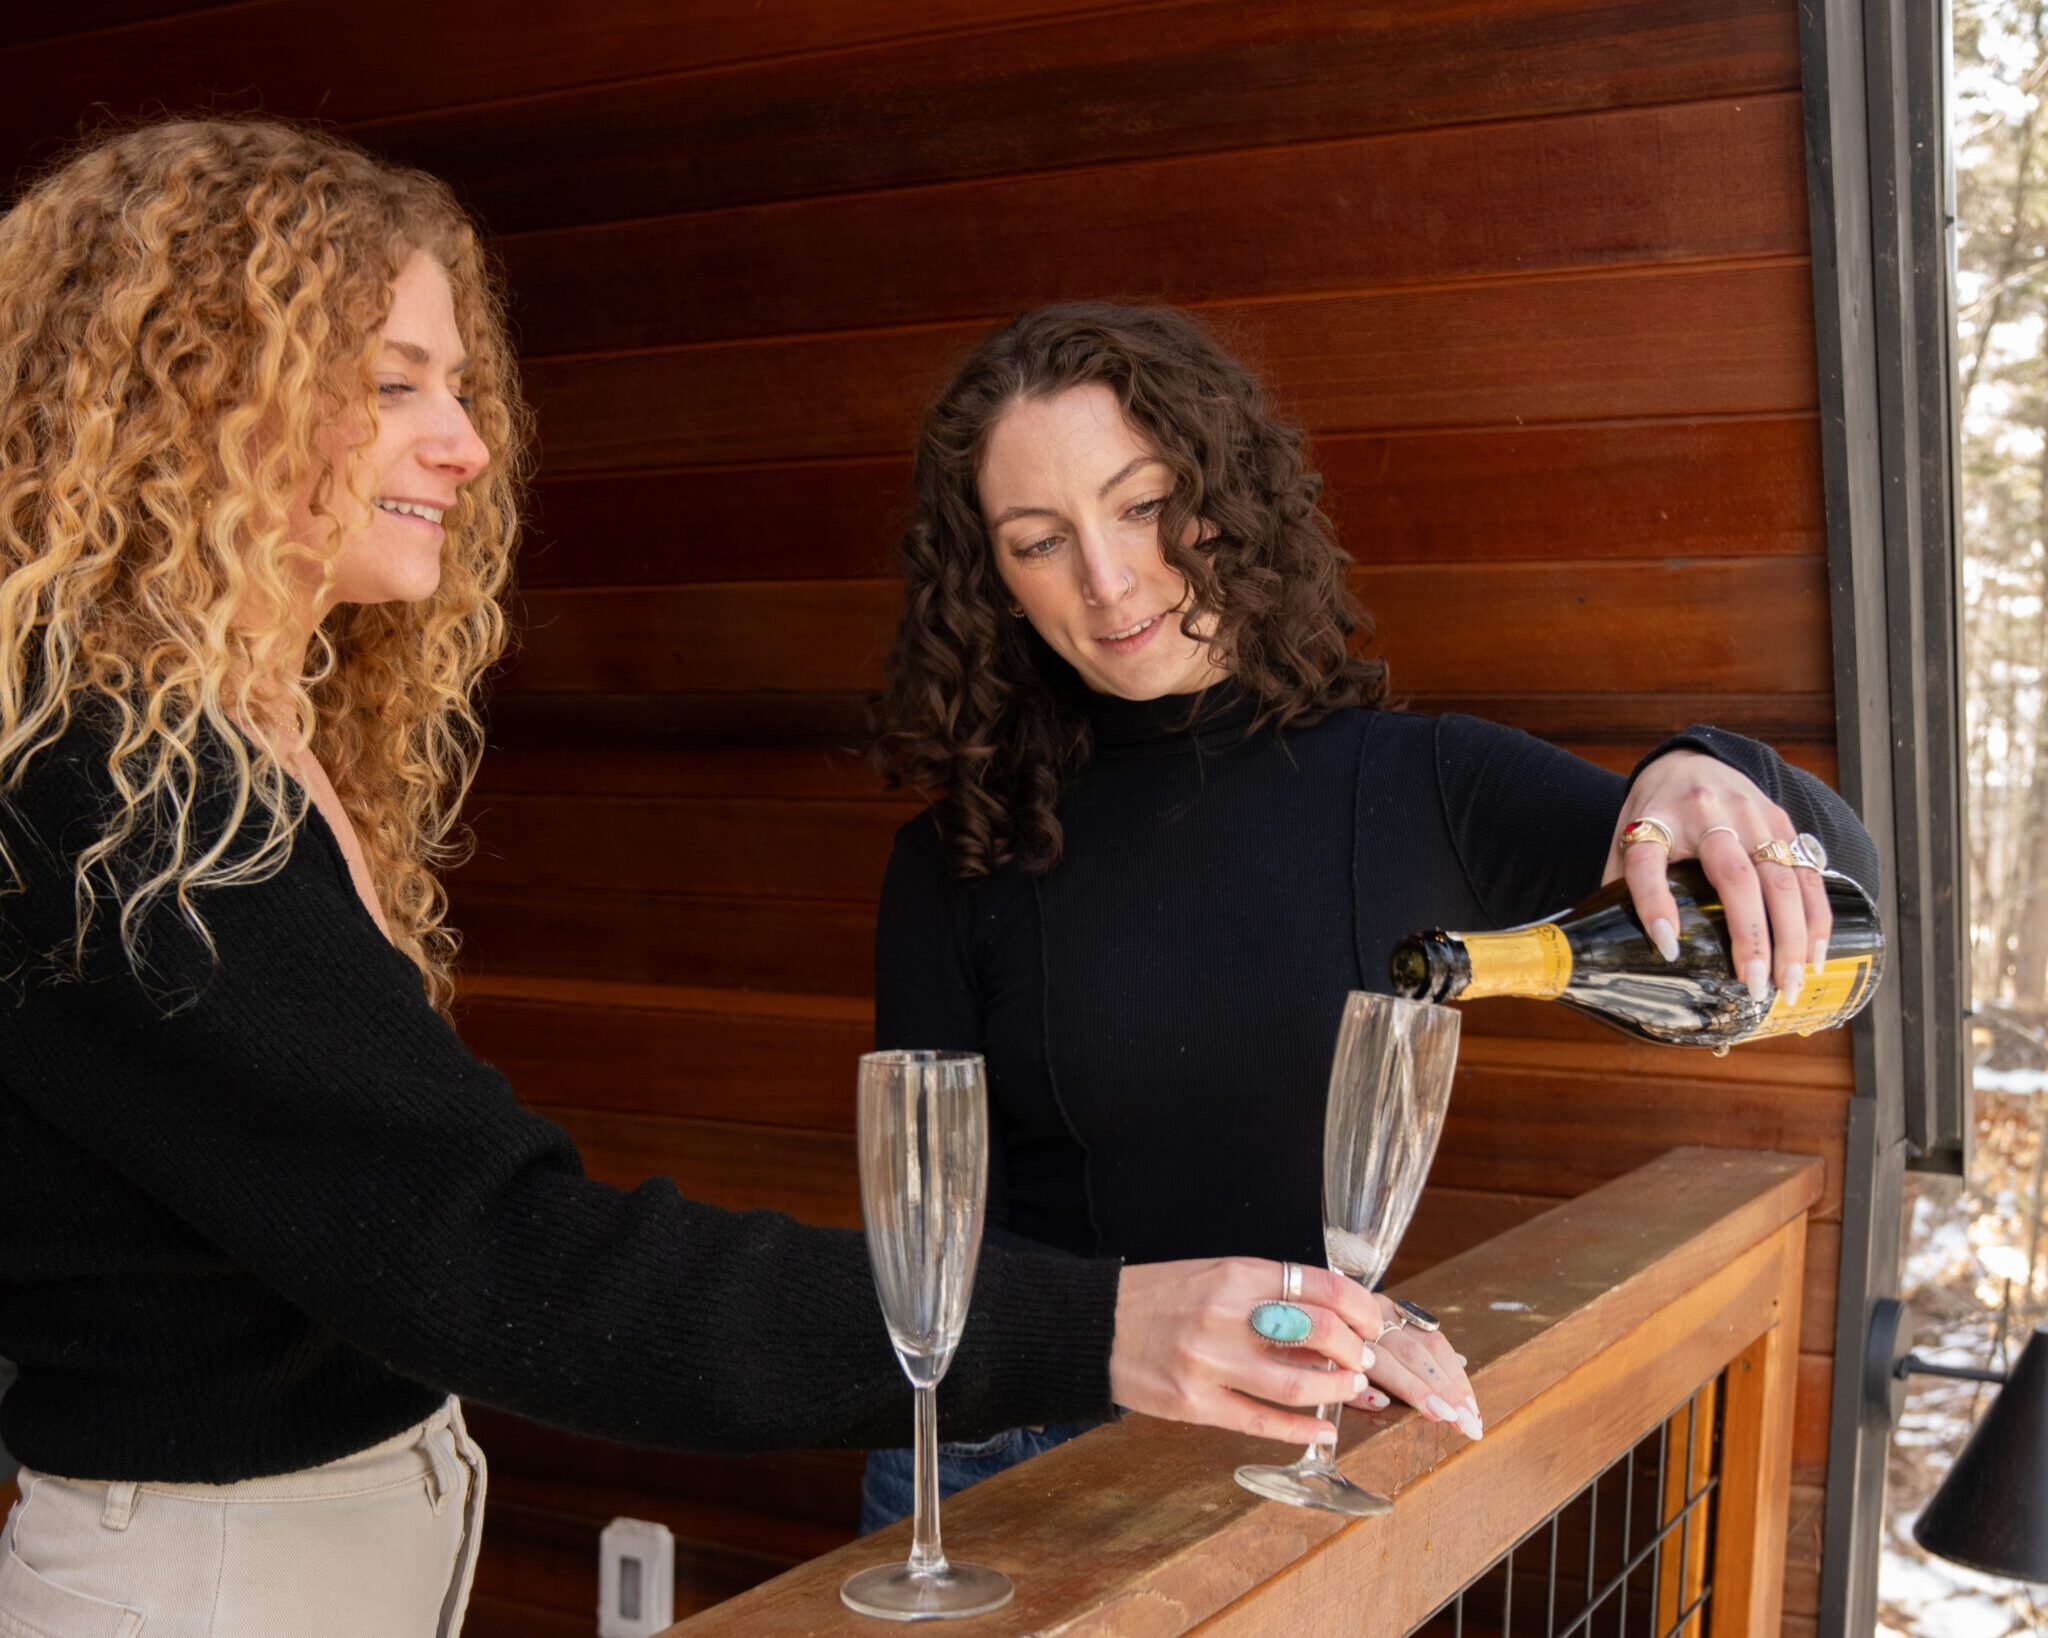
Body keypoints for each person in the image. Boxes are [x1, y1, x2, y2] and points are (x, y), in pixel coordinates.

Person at [0, 123, 1391, 1637]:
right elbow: (501, 1255)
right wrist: (1107, 1323)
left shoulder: (236, 736)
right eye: (396, 383)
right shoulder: (100, 787)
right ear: (198, 396)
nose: (465, 442)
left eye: (458, 386)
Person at [860, 301, 1879, 1528]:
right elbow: (932, 1251)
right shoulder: (953, 859)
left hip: (1289, 1470)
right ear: (995, 582)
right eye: (1038, 541)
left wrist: (1702, 770)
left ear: (1224, 494)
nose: (1106, 577)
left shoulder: (1423, 784)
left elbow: (1839, 914)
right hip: (1003, 1471)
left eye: (1139, 505)